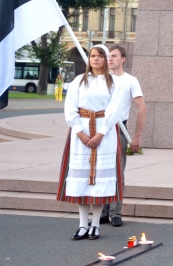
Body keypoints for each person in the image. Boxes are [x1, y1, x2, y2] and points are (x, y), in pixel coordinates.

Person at [55, 45, 129, 241]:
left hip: (104, 133)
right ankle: (82, 225)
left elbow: (115, 110)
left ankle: (95, 224)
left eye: (99, 56)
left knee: (99, 181)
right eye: (92, 56)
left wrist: (101, 134)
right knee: (83, 180)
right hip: (82, 131)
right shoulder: (79, 81)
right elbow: (70, 107)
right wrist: (80, 133)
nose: (95, 59)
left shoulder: (114, 83)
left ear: (106, 59)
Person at [99, 45, 146, 228]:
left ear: (123, 59)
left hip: (119, 129)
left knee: (117, 171)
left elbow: (142, 108)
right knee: (101, 171)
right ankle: (101, 212)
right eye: (108, 56)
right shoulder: (100, 80)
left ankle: (115, 212)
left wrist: (137, 136)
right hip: (99, 129)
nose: (110, 59)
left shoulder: (130, 81)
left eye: (114, 56)